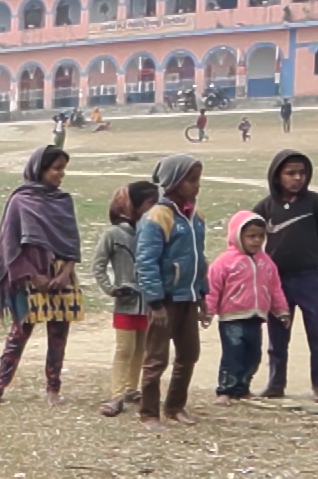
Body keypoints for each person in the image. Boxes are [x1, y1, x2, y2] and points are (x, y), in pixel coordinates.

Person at [0, 146, 85, 408]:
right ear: (40, 170)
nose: (61, 175)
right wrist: (32, 275)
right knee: (19, 334)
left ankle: (53, 389)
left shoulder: (64, 201)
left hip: (61, 277)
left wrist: (66, 272)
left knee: (59, 335)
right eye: (56, 169)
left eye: (63, 169)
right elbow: (11, 245)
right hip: (28, 278)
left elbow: (72, 243)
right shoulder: (20, 201)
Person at [253, 150, 318, 401]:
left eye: (301, 173)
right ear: (277, 176)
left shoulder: (315, 203)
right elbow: (244, 231)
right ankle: (276, 384)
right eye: (290, 173)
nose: (297, 178)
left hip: (309, 278)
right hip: (277, 282)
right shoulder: (267, 206)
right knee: (278, 335)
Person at [134, 155, 210, 429]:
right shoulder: (157, 217)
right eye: (191, 180)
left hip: (188, 298)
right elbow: (146, 262)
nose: (196, 185)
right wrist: (155, 302)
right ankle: (149, 412)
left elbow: (200, 259)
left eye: (198, 179)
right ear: (174, 182)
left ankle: (175, 406)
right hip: (164, 301)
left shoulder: (196, 217)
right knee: (156, 358)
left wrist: (203, 294)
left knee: (189, 354)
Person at [204, 212, 291, 404]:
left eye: (260, 236)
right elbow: (212, 289)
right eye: (251, 236)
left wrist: (281, 311)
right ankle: (225, 390)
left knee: (253, 356)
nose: (256, 241)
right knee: (233, 355)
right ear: (237, 235)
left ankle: (243, 388)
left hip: (256, 317)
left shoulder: (266, 262)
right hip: (231, 318)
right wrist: (208, 311)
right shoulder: (224, 262)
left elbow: (275, 288)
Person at [92, 181, 160, 417]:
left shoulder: (149, 231)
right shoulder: (114, 234)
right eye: (150, 203)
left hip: (147, 303)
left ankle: (132, 388)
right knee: (124, 349)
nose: (154, 209)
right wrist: (111, 289)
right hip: (126, 303)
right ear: (135, 204)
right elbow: (98, 265)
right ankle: (116, 395)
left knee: (141, 348)